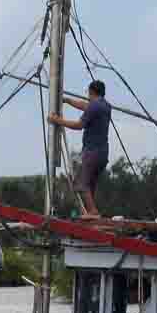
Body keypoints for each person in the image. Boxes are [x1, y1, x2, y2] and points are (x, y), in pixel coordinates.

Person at [49, 79, 112, 218]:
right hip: (103, 153)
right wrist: (68, 100)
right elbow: (85, 106)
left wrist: (57, 120)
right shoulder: (106, 106)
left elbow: (79, 125)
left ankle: (93, 212)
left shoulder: (94, 107)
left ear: (91, 91)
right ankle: (92, 212)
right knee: (90, 185)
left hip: (92, 152)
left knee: (81, 184)